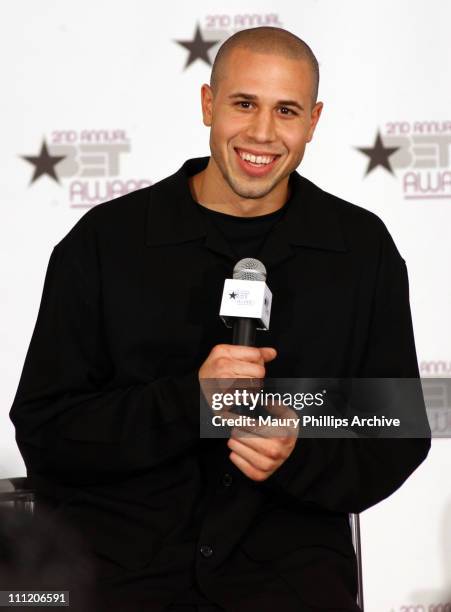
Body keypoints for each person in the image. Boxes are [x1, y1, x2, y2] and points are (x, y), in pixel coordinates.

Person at [10, 27, 430, 611]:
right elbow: (45, 431)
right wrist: (188, 402)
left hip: (290, 585)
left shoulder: (362, 250)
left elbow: (397, 432)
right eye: (243, 104)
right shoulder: (105, 243)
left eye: (286, 110)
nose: (262, 133)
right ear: (208, 104)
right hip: (124, 583)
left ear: (313, 121)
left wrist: (298, 451)